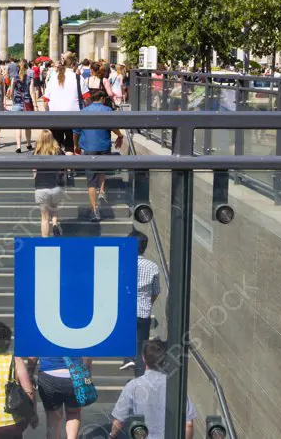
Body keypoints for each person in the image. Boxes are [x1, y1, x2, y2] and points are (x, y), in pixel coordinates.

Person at [109, 339, 197, 439]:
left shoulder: (133, 386)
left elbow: (119, 421)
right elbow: (188, 424)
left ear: (143, 359)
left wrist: (111, 436)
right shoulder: (175, 387)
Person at [73, 89, 124, 221]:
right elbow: (113, 126)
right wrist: (120, 135)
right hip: (103, 146)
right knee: (102, 169)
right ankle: (102, 191)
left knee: (91, 180)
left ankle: (94, 209)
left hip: (89, 148)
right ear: (101, 98)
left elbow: (76, 131)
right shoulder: (107, 110)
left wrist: (76, 145)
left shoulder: (83, 112)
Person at [120, 230, 161, 375]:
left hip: (126, 309)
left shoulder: (122, 263)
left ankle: (127, 359)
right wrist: (148, 303)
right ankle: (139, 372)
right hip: (143, 311)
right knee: (141, 342)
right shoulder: (153, 267)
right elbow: (156, 291)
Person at [28, 354, 93, 439]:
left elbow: (33, 356)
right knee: (73, 413)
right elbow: (87, 356)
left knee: (53, 417)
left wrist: (29, 373)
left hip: (49, 375)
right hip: (75, 375)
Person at [43, 52, 83, 154]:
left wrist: (48, 113)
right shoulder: (78, 78)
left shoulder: (53, 77)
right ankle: (69, 167)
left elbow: (46, 100)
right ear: (73, 64)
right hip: (73, 117)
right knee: (70, 145)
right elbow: (87, 98)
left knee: (56, 144)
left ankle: (59, 167)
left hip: (55, 116)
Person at [33, 130, 66, 237]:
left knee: (44, 218)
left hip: (41, 188)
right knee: (54, 207)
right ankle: (55, 224)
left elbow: (33, 171)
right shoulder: (57, 151)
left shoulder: (36, 153)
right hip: (55, 187)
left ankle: (45, 242)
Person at [7, 59, 36, 153]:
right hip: (27, 103)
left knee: (17, 126)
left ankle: (18, 146)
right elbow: (32, 92)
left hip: (16, 102)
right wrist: (35, 105)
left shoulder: (14, 78)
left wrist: (12, 98)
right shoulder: (29, 78)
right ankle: (28, 143)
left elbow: (11, 91)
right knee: (28, 126)